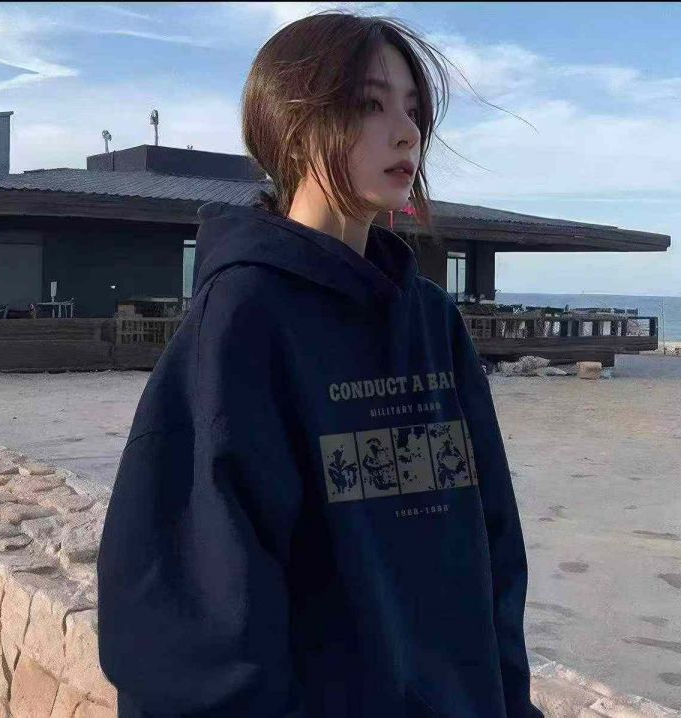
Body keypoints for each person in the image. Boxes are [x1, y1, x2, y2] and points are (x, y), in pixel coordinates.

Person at [96, 9, 544, 718]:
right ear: (295, 127)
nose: (407, 132)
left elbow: (492, 547)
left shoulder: (433, 320)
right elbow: (192, 603)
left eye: (413, 108)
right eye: (370, 104)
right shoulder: (243, 316)